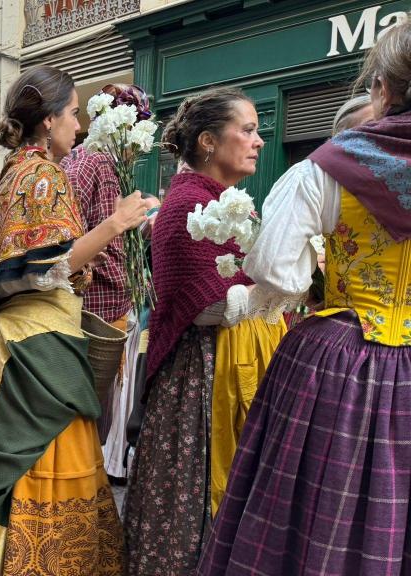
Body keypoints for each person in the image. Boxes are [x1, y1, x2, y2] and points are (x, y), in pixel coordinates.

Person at [200, 21, 411, 575]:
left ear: (382, 88)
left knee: (311, 518)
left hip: (341, 366)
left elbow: (277, 270)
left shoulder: (331, 166)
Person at [0, 65, 145, 576]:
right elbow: (45, 267)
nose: (78, 126)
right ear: (48, 120)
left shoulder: (19, 171)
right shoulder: (42, 175)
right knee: (47, 465)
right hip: (32, 350)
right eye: (73, 113)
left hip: (29, 346)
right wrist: (115, 223)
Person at [123, 87, 288, 574]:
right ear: (209, 141)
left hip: (236, 358)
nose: (259, 141)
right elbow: (209, 308)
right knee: (195, 494)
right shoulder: (187, 206)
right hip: (202, 373)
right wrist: (286, 284)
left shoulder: (222, 201)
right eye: (248, 130)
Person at [62, 83, 153, 450]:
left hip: (108, 310)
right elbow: (63, 238)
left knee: (94, 423)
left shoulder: (110, 163)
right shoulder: (92, 161)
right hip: (93, 314)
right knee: (86, 424)